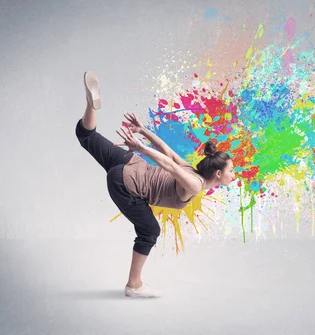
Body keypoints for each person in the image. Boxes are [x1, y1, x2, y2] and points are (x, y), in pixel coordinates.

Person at [75, 71, 236, 298]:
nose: (234, 175)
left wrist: (143, 132)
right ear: (218, 174)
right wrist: (140, 144)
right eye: (232, 171)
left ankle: (90, 106)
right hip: (125, 182)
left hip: (128, 162)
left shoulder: (192, 170)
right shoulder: (194, 184)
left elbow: (166, 151)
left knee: (86, 135)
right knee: (150, 231)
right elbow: (168, 164)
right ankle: (134, 285)